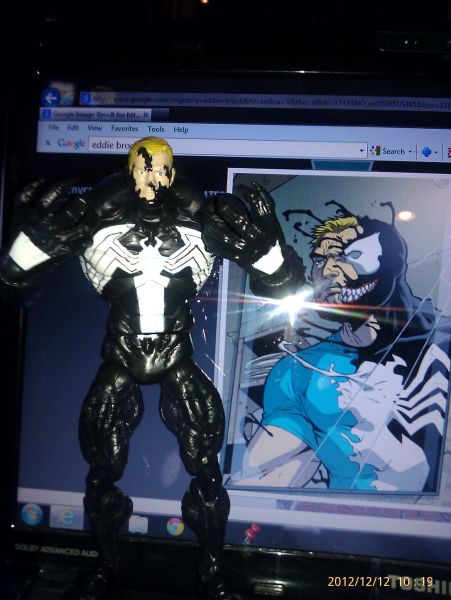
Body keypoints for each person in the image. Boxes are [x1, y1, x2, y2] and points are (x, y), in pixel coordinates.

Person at [0, 137, 304, 599]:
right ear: (130, 174)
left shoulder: (200, 223)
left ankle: (212, 570)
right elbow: (13, 284)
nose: (153, 180)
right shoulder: (97, 222)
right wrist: (24, 253)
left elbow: (285, 289)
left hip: (176, 354)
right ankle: (108, 566)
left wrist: (271, 257)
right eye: (144, 170)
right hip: (122, 355)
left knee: (205, 468)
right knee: (102, 468)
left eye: (161, 170)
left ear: (172, 174)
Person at [233, 214, 450, 492]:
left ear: (393, 266)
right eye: (319, 260)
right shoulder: (298, 372)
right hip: (354, 515)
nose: (327, 271)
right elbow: (269, 476)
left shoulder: (442, 342)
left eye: (349, 256)